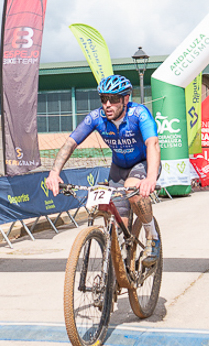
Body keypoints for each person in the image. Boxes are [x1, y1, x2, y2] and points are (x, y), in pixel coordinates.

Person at [46, 74, 161, 265]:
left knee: (133, 190)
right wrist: (54, 172)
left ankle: (152, 237)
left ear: (125, 99)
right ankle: (122, 267)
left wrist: (150, 178)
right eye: (103, 99)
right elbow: (70, 143)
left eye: (113, 99)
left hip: (143, 163)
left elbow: (153, 143)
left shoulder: (139, 114)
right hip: (118, 167)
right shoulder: (96, 117)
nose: (107, 104)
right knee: (118, 228)